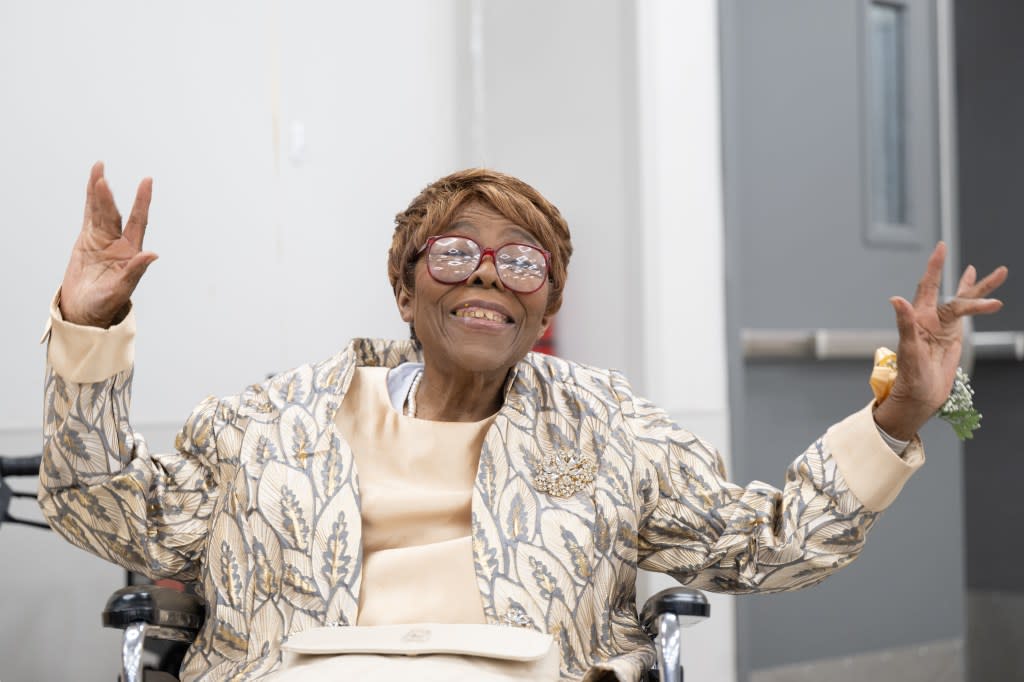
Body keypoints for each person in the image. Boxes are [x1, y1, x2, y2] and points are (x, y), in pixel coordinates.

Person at [39, 162, 1007, 681]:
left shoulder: (608, 427)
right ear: (404, 284)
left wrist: (898, 415)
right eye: (455, 251)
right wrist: (90, 327)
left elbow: (771, 543)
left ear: (545, 309)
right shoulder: (272, 419)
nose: (488, 276)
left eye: (522, 261)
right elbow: (103, 511)